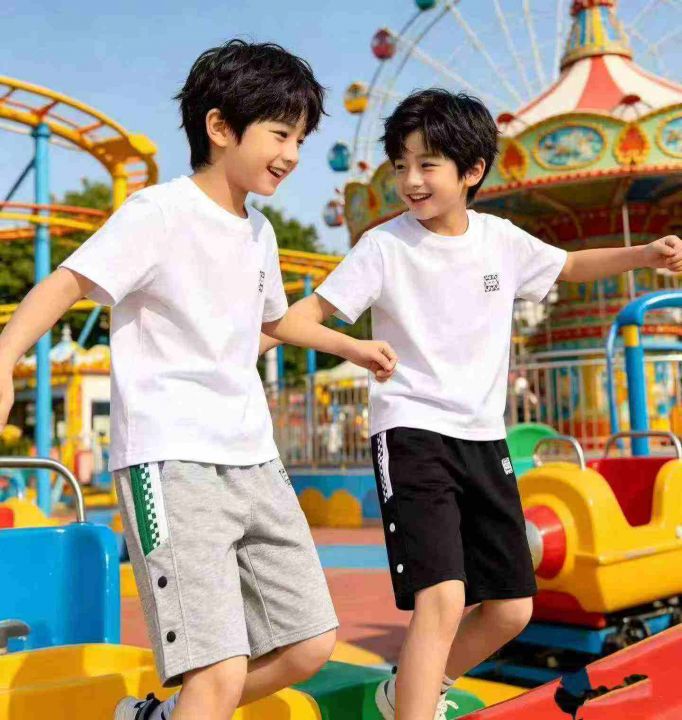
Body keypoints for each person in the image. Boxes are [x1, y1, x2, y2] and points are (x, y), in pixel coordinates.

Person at [0, 40, 396, 720]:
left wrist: (351, 347)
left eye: (301, 139)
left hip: (255, 458)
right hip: (170, 461)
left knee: (308, 645)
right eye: (280, 134)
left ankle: (160, 716)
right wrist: (6, 357)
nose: (292, 154)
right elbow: (65, 283)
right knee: (217, 670)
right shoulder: (157, 213)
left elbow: (274, 321)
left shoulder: (260, 232)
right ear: (219, 127)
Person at [268, 89, 682, 720]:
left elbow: (570, 265)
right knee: (441, 597)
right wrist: (352, 347)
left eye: (427, 164)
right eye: (401, 165)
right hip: (411, 433)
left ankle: (410, 690)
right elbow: (297, 319)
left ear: (472, 171)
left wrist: (644, 255)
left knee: (512, 608)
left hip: (485, 438)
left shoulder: (500, 240)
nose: (411, 180)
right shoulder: (384, 247)